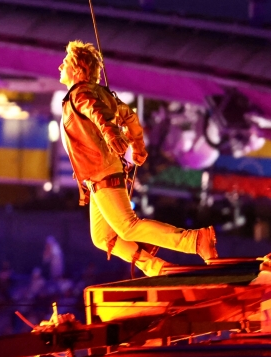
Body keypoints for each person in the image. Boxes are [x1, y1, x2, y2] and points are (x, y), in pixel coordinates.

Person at [58, 40, 218, 277]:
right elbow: (129, 116)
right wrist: (138, 145)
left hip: (103, 172)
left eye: (65, 62)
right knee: (102, 237)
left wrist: (113, 135)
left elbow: (97, 114)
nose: (60, 66)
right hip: (99, 175)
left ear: (78, 69)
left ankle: (195, 240)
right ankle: (156, 267)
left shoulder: (80, 94)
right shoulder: (101, 93)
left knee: (127, 227)